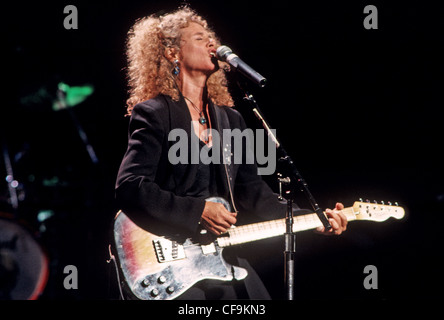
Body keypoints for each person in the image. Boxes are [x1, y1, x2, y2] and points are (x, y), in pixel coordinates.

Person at [115, 6, 347, 300]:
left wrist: (314, 219)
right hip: (167, 257)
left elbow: (254, 194)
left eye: (211, 37)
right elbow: (130, 186)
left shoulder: (230, 120)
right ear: (173, 53)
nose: (211, 44)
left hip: (217, 254)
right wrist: (198, 210)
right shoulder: (154, 113)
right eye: (199, 39)